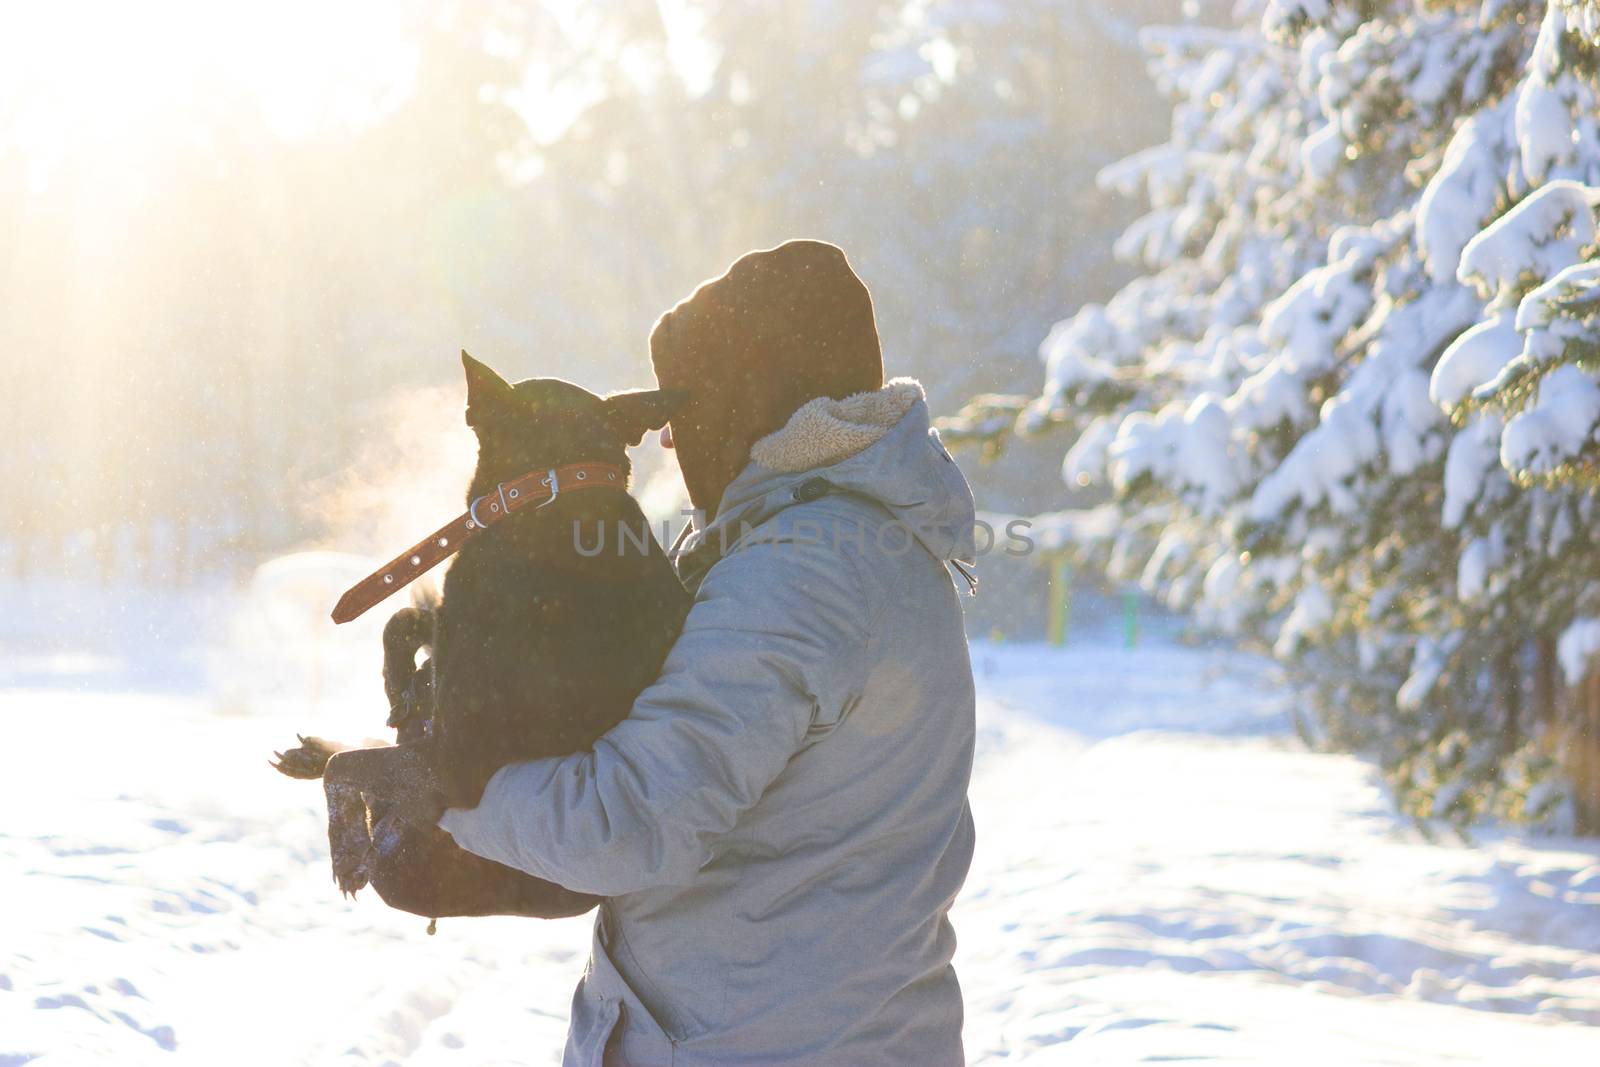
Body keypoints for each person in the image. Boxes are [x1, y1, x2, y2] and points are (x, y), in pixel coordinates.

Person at [438, 239, 978, 1065]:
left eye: (685, 414)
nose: (669, 445)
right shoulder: (852, 542)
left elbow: (628, 819)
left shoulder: (805, 571)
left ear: (746, 397)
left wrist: (446, 790)